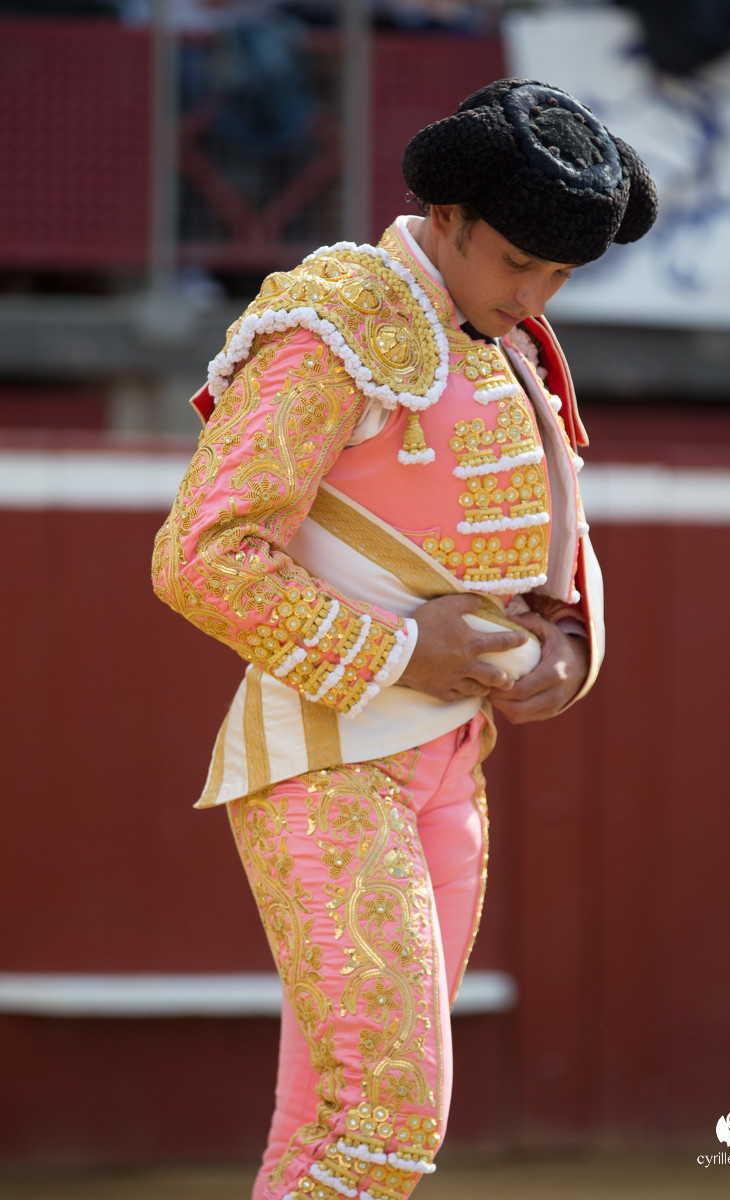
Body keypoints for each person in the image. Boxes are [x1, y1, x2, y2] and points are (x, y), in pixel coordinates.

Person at [152, 77, 657, 1200]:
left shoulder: (504, 337)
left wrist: (567, 645)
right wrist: (397, 654)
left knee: (328, 1121)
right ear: (445, 219)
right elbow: (203, 554)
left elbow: (553, 518)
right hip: (328, 763)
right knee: (382, 1126)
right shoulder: (336, 319)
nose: (534, 296)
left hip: (446, 765)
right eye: (516, 263)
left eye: (560, 275)